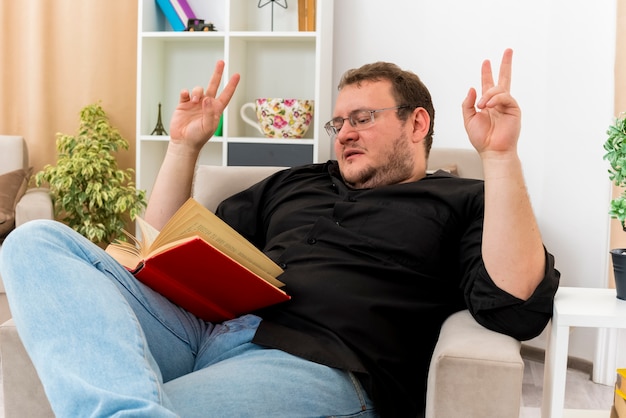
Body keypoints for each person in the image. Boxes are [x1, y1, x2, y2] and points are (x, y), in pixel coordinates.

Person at [0, 49, 559, 417]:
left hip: (318, 363)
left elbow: (514, 306)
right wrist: (184, 146)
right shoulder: (295, 183)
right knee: (35, 241)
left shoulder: (463, 199)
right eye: (338, 123)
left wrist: (501, 157)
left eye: (363, 118)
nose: (344, 134)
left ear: (417, 123)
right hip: (202, 330)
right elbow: (160, 247)